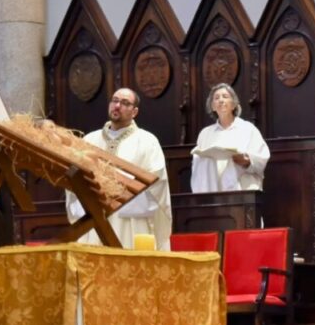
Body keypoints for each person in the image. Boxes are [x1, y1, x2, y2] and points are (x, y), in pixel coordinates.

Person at [65, 87, 173, 250]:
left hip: (130, 222)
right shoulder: (89, 140)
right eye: (114, 101)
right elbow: (74, 181)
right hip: (94, 221)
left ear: (134, 111)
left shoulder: (147, 141)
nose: (117, 106)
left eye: (124, 103)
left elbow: (157, 185)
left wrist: (120, 197)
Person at [190, 83, 270, 193]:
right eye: (216, 98)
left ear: (233, 104)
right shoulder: (205, 133)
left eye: (225, 97)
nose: (221, 100)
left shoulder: (248, 129)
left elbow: (262, 157)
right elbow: (197, 163)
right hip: (213, 191)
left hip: (243, 190)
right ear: (212, 106)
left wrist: (248, 161)